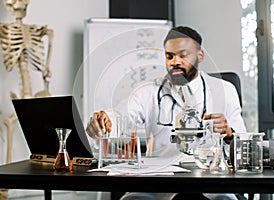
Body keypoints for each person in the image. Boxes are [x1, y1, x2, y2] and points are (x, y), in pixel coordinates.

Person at [86, 26, 247, 200]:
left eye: (183, 55)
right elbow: (121, 116)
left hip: (210, 184)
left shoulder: (224, 90)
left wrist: (229, 133)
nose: (175, 62)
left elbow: (245, 148)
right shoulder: (148, 91)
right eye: (169, 56)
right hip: (158, 183)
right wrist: (105, 122)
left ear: (200, 55)